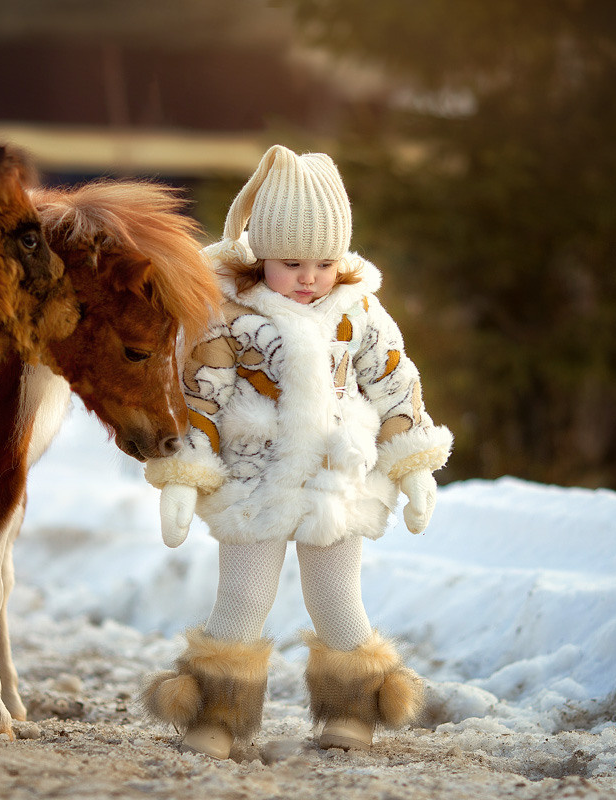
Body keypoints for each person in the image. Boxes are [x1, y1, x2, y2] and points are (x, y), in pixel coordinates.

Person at [139, 145, 452, 759]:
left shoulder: (359, 311)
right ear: (259, 254)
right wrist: (182, 475)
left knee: (337, 599)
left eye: (324, 262)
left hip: (336, 482)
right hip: (255, 481)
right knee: (242, 599)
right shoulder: (231, 316)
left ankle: (353, 712)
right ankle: (216, 717)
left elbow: (395, 386)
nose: (309, 277)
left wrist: (414, 466)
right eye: (291, 262)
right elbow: (202, 396)